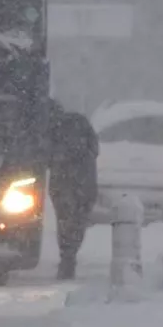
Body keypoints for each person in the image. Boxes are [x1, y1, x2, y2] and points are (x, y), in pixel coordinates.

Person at [47, 101, 99, 280]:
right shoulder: (80, 122)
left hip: (64, 181)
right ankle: (70, 255)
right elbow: (95, 148)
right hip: (85, 181)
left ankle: (67, 258)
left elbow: (45, 156)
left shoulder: (52, 130)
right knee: (78, 220)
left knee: (65, 220)